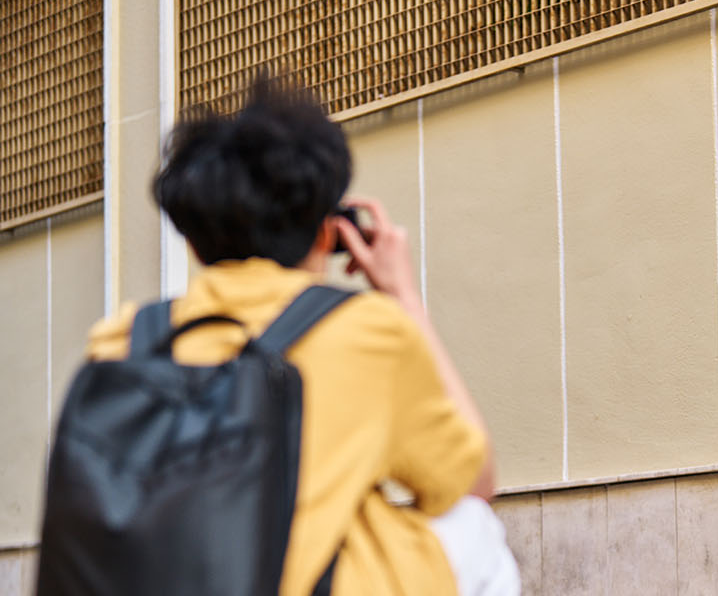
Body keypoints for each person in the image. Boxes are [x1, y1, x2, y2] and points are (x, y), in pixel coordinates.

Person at [83, 74, 516, 595]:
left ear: (195, 245)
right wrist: (402, 296)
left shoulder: (122, 339)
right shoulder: (363, 330)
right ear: (328, 230)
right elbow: (471, 484)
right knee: (477, 529)